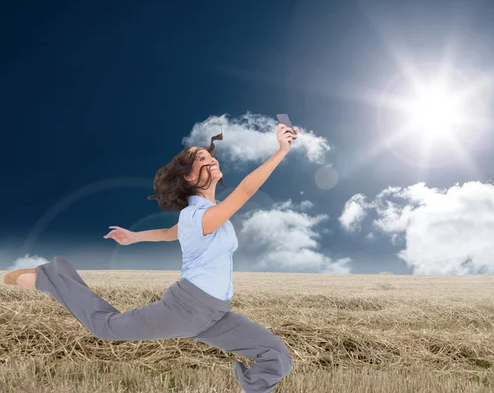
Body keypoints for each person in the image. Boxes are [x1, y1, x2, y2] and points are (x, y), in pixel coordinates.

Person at [4, 123, 299, 393]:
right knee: (106, 327)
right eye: (201, 159)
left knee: (276, 356)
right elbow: (246, 190)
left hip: (217, 314)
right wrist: (281, 151)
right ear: (188, 176)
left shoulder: (205, 214)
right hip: (187, 309)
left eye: (210, 157)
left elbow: (172, 233)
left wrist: (134, 237)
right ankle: (47, 277)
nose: (211, 160)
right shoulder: (198, 215)